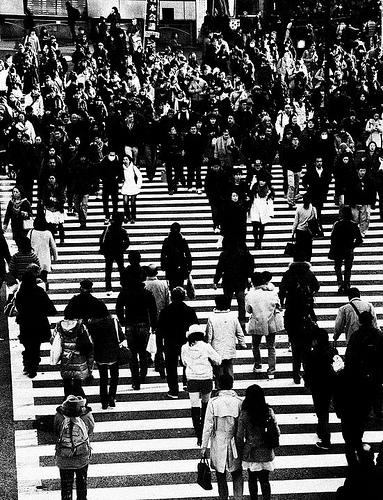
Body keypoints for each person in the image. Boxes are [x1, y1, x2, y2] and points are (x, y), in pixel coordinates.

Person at [342, 311, 383, 458]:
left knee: (362, 401)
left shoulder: (355, 336)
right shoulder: (379, 335)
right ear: (372, 320)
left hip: (359, 377)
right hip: (376, 375)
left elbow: (349, 358)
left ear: (359, 321)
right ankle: (377, 412)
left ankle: (366, 415)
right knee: (376, 393)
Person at [201, 373, 243, 500]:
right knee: (237, 472)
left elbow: (207, 426)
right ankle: (238, 497)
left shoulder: (213, 402)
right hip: (235, 441)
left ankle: (223, 497)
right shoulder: (239, 402)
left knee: (220, 474)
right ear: (232, 385)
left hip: (218, 441)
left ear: (218, 385)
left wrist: (203, 447)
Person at [279, 255, 320, 384]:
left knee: (296, 348)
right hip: (306, 313)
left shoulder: (288, 273)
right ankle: (308, 374)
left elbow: (281, 290)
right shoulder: (308, 273)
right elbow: (316, 286)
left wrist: (282, 301)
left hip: (292, 313)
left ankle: (296, 375)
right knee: (307, 349)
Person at [236, 384, 280, 500]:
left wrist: (240, 451)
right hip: (266, 449)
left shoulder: (244, 414)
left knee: (252, 479)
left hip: (251, 451)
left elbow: (239, 436)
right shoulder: (268, 411)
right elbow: (277, 431)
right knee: (265, 480)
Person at [116, 269, 157, 390]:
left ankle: (135, 380)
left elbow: (118, 308)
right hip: (144, 324)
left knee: (132, 354)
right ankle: (143, 375)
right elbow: (153, 311)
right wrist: (153, 325)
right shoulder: (147, 293)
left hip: (130, 324)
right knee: (143, 351)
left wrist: (123, 321)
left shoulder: (125, 292)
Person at [181, 324, 221, 446]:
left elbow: (183, 362)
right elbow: (218, 360)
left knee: (194, 407)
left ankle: (197, 433)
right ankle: (203, 431)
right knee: (205, 405)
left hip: (192, 379)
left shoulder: (184, 347)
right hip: (206, 378)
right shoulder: (206, 347)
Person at [157, 286, 198, 398]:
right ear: (184, 296)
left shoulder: (165, 311)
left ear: (171, 297)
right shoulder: (190, 311)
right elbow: (195, 327)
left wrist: (159, 347)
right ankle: (187, 383)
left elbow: (159, 331)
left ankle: (173, 390)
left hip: (170, 342)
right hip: (186, 341)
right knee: (188, 363)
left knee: (171, 367)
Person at [15, 270, 57, 378]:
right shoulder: (39, 292)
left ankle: (27, 364)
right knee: (35, 346)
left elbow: (18, 308)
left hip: (25, 324)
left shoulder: (21, 293)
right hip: (39, 323)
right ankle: (33, 366)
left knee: (28, 346)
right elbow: (51, 309)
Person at [54, 395, 94, 500]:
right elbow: (90, 429)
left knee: (66, 486)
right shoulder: (86, 416)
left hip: (64, 457)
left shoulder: (59, 416)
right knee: (82, 483)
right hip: (81, 456)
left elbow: (56, 431)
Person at [304, 328, 338, 450]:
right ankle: (320, 430)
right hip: (330, 385)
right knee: (323, 410)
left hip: (317, 386)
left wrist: (307, 383)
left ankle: (326, 440)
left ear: (316, 340)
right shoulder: (332, 351)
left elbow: (308, 371)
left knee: (322, 412)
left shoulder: (313, 354)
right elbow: (339, 368)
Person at [246, 272, 281, 379]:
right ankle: (271, 370)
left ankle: (258, 364)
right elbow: (278, 305)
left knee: (255, 345)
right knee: (271, 346)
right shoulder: (272, 292)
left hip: (257, 322)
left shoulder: (250, 294)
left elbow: (248, 310)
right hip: (271, 322)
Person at [213, 241, 254, 333]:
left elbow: (219, 268)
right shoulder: (245, 254)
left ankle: (227, 322)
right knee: (241, 303)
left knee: (227, 303)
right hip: (240, 282)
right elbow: (250, 266)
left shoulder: (224, 254)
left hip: (228, 281)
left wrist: (216, 281)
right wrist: (249, 278)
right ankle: (242, 323)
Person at [205, 295, 246, 386]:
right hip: (229, 346)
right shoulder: (232, 316)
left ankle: (219, 386)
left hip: (216, 348)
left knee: (218, 368)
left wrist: (207, 347)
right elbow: (239, 331)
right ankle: (230, 385)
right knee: (229, 366)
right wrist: (242, 343)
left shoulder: (212, 317)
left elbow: (209, 335)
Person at [87, 313, 124, 409]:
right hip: (113, 352)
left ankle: (104, 400)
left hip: (100, 353)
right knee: (114, 375)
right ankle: (112, 396)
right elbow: (120, 336)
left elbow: (90, 339)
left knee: (103, 378)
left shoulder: (92, 324)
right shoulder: (113, 321)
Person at [52, 317, 94, 397]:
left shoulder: (59, 326)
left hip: (66, 358)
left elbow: (53, 340)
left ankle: (68, 402)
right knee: (77, 384)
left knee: (67, 383)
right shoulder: (81, 326)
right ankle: (81, 402)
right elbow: (89, 344)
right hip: (79, 358)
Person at [328, 205, 363, 294]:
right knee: (348, 268)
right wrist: (352, 246)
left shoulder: (337, 224)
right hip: (348, 249)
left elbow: (333, 237)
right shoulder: (354, 225)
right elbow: (359, 240)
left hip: (338, 249)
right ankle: (347, 284)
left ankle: (340, 284)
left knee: (337, 267)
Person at [99, 212, 130, 293]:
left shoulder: (108, 229)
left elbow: (102, 240)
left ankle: (108, 288)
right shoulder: (122, 230)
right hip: (119, 252)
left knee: (108, 270)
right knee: (121, 269)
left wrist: (104, 250)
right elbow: (127, 242)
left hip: (109, 252)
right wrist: (122, 249)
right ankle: (123, 284)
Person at [302, 156, 332, 234]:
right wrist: (307, 188)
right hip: (313, 194)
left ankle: (317, 226)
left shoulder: (325, 171)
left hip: (321, 194)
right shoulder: (311, 171)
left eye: (320, 161)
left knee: (318, 210)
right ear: (315, 163)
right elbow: (304, 180)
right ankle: (317, 227)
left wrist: (325, 189)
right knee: (316, 211)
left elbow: (329, 179)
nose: (319, 163)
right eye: (318, 161)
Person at [345, 164, 376, 237]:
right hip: (355, 203)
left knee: (364, 219)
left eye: (364, 170)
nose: (363, 172)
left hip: (365, 203)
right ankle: (355, 232)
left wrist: (372, 203)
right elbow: (348, 192)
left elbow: (373, 192)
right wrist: (348, 203)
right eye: (361, 170)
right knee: (354, 219)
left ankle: (362, 232)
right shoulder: (352, 180)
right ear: (358, 171)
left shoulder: (369, 180)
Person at [28, 214, 58, 288]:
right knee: (44, 277)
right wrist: (55, 257)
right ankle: (44, 290)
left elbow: (26, 243)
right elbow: (53, 247)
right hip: (45, 259)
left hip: (34, 258)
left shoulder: (31, 232)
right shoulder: (48, 233)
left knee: (34, 277)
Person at [161, 222, 192, 290]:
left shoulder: (167, 240)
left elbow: (163, 254)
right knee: (180, 284)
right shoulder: (182, 240)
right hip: (181, 266)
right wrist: (189, 267)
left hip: (170, 266)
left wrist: (163, 266)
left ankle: (174, 298)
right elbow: (188, 254)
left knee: (172, 285)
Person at [248, 171, 275, 249]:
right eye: (260, 180)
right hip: (255, 207)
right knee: (255, 226)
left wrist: (271, 212)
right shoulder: (254, 187)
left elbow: (270, 201)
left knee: (262, 227)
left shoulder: (269, 190)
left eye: (263, 181)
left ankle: (260, 242)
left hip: (264, 208)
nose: (262, 182)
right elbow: (250, 196)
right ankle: (256, 241)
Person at [291, 193, 317, 262]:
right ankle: (307, 263)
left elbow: (296, 221)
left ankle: (298, 263)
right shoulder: (313, 209)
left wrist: (293, 232)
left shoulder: (299, 209)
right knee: (308, 249)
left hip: (300, 231)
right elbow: (315, 220)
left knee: (299, 249)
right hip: (308, 232)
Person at [99, 151, 122, 225]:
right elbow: (101, 171)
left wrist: (117, 179)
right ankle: (107, 216)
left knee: (115, 201)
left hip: (114, 184)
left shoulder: (117, 160)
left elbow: (120, 172)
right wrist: (103, 179)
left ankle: (114, 216)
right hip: (106, 184)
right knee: (105, 201)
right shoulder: (105, 160)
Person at [120, 152, 143, 223]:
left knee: (133, 203)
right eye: (124, 159)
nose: (125, 161)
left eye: (126, 159)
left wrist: (138, 186)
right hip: (126, 186)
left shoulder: (133, 167)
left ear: (129, 160)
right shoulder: (122, 168)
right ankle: (127, 216)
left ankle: (133, 217)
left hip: (133, 186)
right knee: (125, 203)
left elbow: (139, 176)